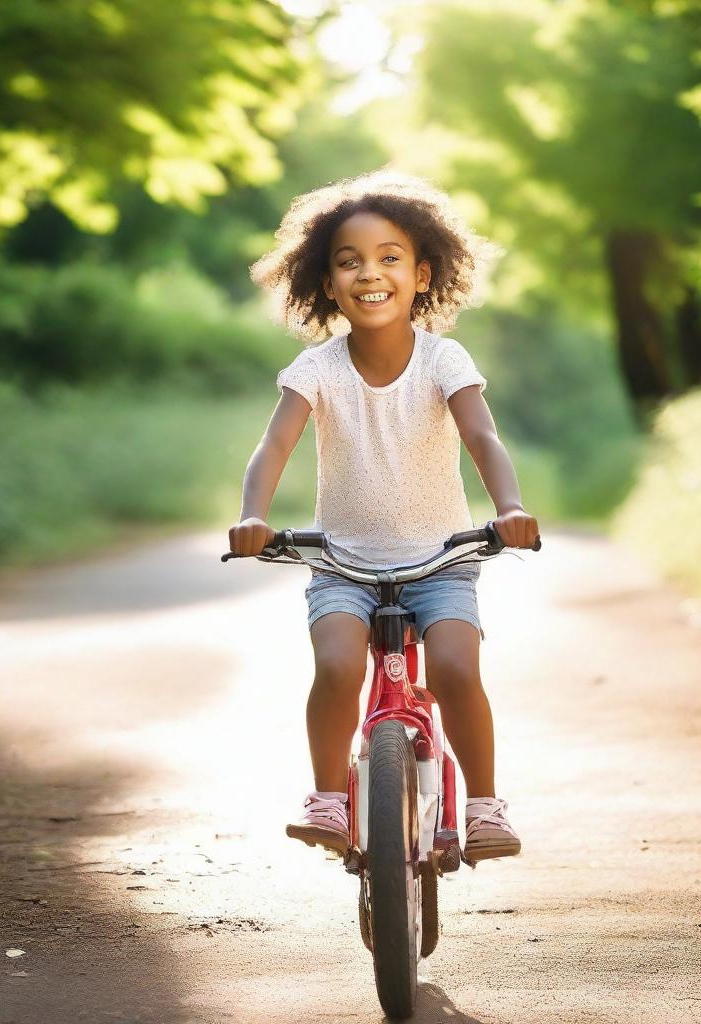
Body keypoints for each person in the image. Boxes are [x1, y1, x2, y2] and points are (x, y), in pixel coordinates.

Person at [228, 168, 540, 862]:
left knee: (457, 667)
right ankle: (329, 799)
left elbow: (482, 436)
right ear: (327, 283)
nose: (370, 273)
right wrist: (253, 514)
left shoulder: (443, 359)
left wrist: (510, 507)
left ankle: (486, 806)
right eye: (349, 262)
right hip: (342, 565)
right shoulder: (317, 369)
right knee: (337, 664)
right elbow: (274, 443)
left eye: (389, 257)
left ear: (423, 275)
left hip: (441, 561)